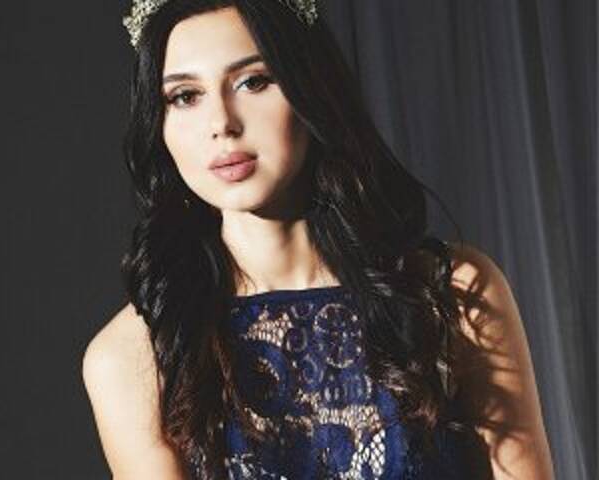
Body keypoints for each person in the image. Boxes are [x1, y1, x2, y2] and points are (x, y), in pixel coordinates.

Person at [82, 0, 555, 478]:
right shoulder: (132, 358)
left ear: (309, 87)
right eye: (185, 96)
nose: (221, 124)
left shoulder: (452, 294)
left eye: (253, 81)